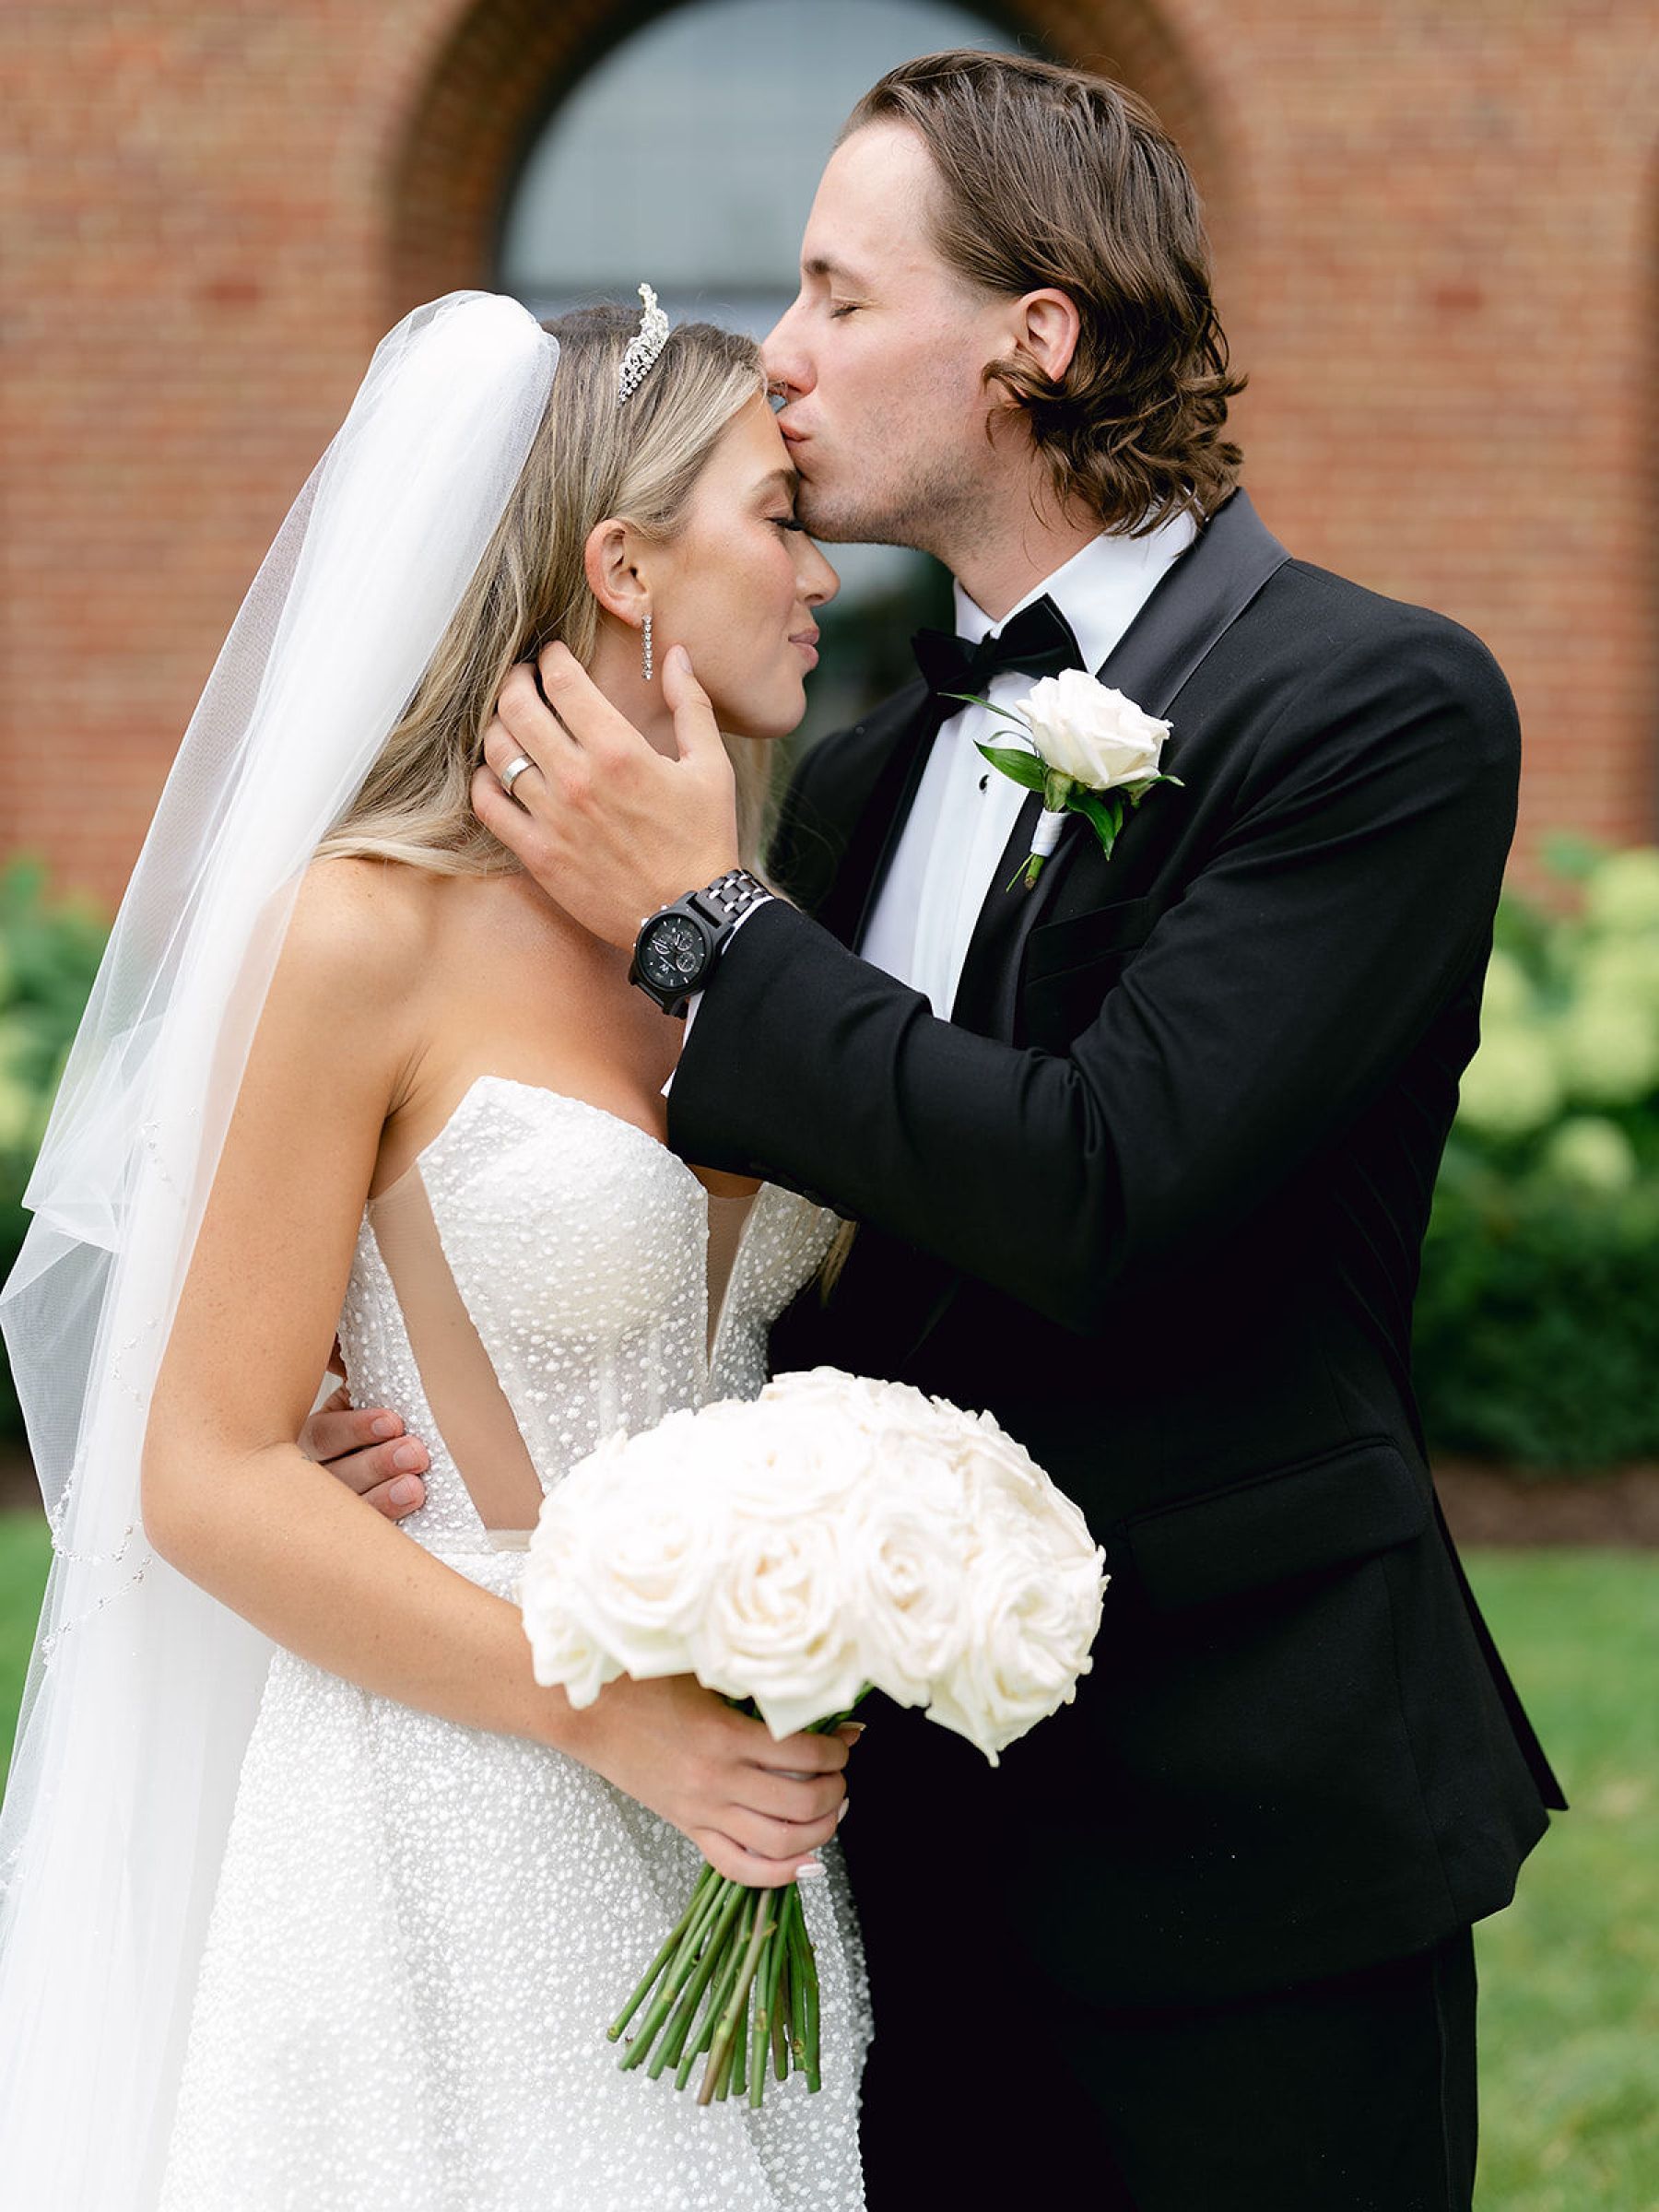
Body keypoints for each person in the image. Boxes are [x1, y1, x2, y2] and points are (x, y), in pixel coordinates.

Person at [464, 51, 1565, 2212]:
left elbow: (1104, 1185)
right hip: (895, 1834)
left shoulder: (1374, 709)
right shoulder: (861, 779)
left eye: (837, 299)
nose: (777, 367)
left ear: (1031, 340)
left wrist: (705, 926)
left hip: (1249, 1835)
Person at [0, 292, 867, 2209]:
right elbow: (207, 1471)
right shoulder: (363, 930)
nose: (822, 569)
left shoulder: (763, 943)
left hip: (743, 1828)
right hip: (440, 1816)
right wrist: (609, 1713)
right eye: (777, 517)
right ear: (625, 564)